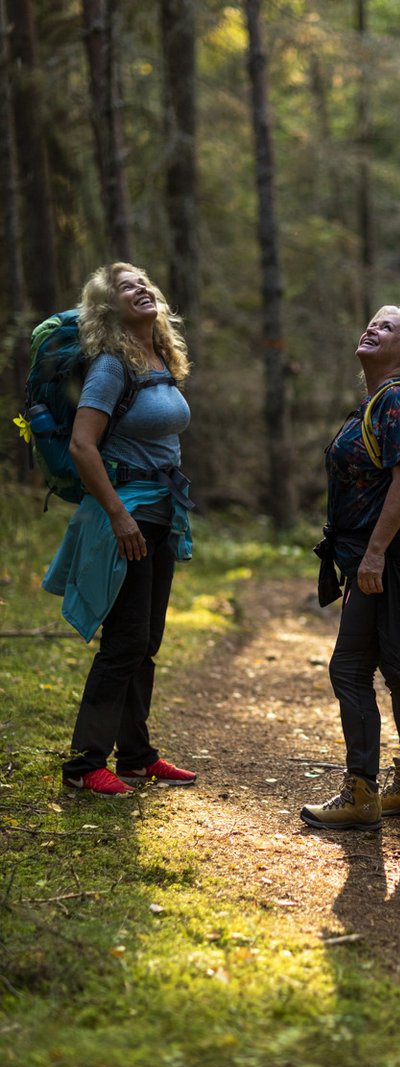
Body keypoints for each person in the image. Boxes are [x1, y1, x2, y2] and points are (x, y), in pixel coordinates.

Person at [301, 304, 400, 831]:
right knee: (391, 667)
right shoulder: (379, 402)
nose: (371, 327)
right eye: (371, 320)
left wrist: (373, 554)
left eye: (386, 327)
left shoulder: (398, 401)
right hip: (381, 557)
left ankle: (364, 792)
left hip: (388, 558)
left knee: (355, 668)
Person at [44, 262, 197, 797]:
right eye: (125, 286)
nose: (140, 288)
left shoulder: (158, 358)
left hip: (160, 511)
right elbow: (82, 445)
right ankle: (86, 764)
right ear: (109, 308)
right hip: (126, 514)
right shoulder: (112, 365)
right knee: (125, 641)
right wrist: (117, 514)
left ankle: (135, 756)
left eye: (144, 281)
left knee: (146, 640)